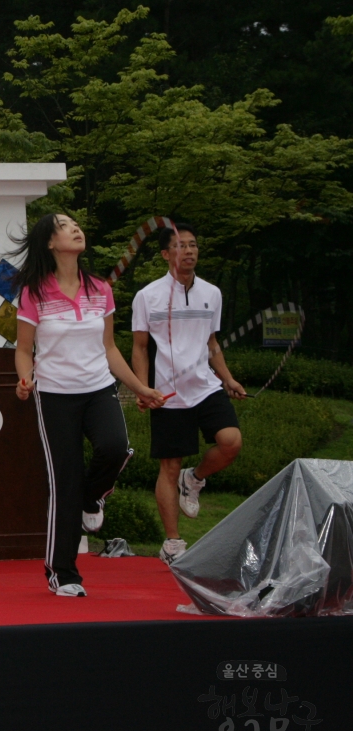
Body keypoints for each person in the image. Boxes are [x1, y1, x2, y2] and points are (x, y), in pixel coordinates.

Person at [11, 213, 162, 597]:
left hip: (99, 388)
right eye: (64, 225)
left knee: (115, 447)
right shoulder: (33, 292)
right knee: (64, 482)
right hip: (55, 396)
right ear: (49, 242)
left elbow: (109, 348)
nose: (75, 228)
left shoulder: (100, 289)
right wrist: (25, 379)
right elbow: (24, 349)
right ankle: (62, 573)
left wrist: (141, 388)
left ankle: (92, 497)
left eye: (77, 224)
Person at [131, 222, 247, 565]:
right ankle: (172, 542)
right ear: (167, 254)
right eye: (181, 246)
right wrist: (142, 387)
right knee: (169, 465)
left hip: (205, 387)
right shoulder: (147, 296)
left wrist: (228, 379)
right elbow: (138, 347)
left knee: (231, 442)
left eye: (194, 245)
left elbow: (211, 344)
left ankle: (194, 479)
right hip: (168, 393)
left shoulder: (212, 293)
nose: (190, 251)